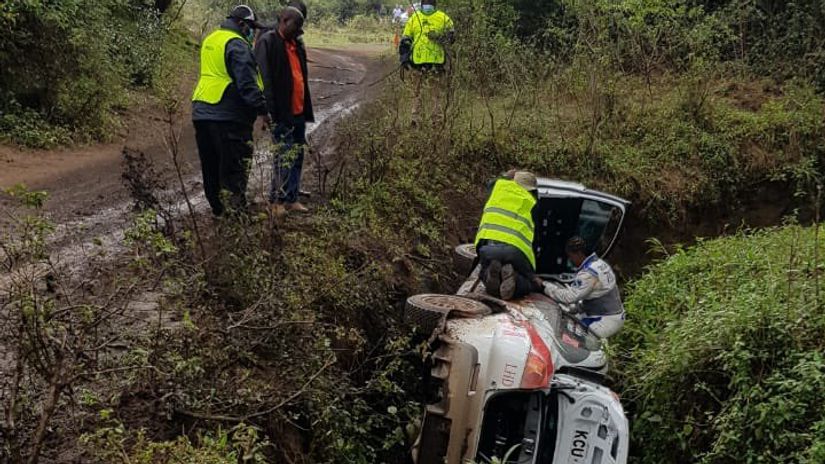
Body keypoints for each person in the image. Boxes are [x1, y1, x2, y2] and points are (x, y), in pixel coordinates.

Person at [192, 4, 268, 217]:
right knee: (234, 168)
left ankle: (218, 211)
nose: (253, 32)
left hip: (201, 111)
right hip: (229, 116)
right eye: (251, 27)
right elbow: (247, 84)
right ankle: (235, 217)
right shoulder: (237, 44)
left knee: (211, 166)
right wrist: (263, 110)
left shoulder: (212, 39)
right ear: (242, 24)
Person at [254, 1, 314, 217]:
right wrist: (266, 111)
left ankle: (292, 198)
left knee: (297, 154)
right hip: (280, 112)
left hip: (298, 111)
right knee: (283, 155)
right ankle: (276, 201)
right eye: (295, 27)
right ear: (284, 20)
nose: (297, 32)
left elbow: (301, 77)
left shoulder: (296, 44)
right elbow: (264, 79)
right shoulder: (268, 42)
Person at [475, 171, 544, 300]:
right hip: (515, 251)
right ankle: (516, 279)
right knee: (528, 283)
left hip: (488, 248)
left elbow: (490, 183)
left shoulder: (498, 187)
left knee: (483, 270)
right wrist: (531, 273)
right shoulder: (532, 202)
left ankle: (490, 272)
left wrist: (506, 175)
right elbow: (535, 237)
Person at [543, 236, 625, 339]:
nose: (570, 260)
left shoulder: (588, 273)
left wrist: (546, 287)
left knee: (573, 337)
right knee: (571, 319)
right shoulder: (599, 264)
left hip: (605, 319)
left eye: (571, 256)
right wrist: (577, 308)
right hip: (613, 314)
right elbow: (596, 295)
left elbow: (569, 297)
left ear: (578, 254)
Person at [398, 0, 454, 124]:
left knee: (435, 93)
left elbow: (451, 37)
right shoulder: (414, 18)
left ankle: (436, 120)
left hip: (436, 63)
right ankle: (415, 119)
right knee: (416, 92)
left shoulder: (444, 18)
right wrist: (404, 57)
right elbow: (406, 39)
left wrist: (439, 37)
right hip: (417, 63)